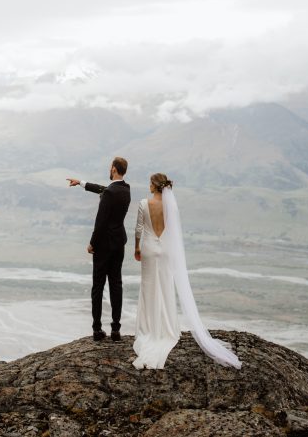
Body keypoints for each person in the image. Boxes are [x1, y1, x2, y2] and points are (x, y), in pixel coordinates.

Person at [133, 173, 242, 370]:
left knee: (148, 288)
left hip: (149, 248)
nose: (148, 186)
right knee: (165, 287)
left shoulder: (143, 204)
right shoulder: (171, 206)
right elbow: (173, 233)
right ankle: (166, 328)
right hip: (165, 250)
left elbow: (138, 229)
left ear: (154, 186)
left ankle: (148, 330)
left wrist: (136, 248)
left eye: (149, 183)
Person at [67, 157, 131, 342]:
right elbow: (104, 189)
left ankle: (97, 329)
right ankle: (116, 330)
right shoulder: (125, 190)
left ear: (113, 169)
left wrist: (92, 243)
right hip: (119, 244)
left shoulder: (110, 192)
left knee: (98, 286)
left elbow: (100, 222)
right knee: (116, 285)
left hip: (103, 246)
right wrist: (81, 183)